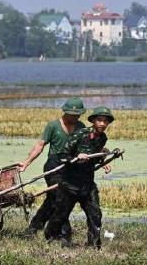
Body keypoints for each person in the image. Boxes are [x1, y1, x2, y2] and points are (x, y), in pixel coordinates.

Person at [44, 106, 114, 249]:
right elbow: (63, 156)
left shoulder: (103, 138)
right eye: (99, 120)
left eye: (105, 121)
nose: (102, 124)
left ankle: (94, 245)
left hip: (87, 183)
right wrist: (76, 157)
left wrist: (103, 161)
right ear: (93, 121)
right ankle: (50, 237)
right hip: (69, 183)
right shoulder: (79, 135)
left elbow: (95, 154)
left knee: (95, 214)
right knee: (60, 215)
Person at [18, 97, 87, 237]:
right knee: (60, 198)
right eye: (72, 115)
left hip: (70, 167)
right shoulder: (53, 126)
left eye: (77, 115)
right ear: (65, 112)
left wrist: (103, 159)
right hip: (53, 167)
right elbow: (40, 145)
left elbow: (87, 147)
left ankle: (33, 228)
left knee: (51, 200)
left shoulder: (81, 127)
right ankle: (64, 233)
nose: (75, 117)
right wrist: (27, 162)